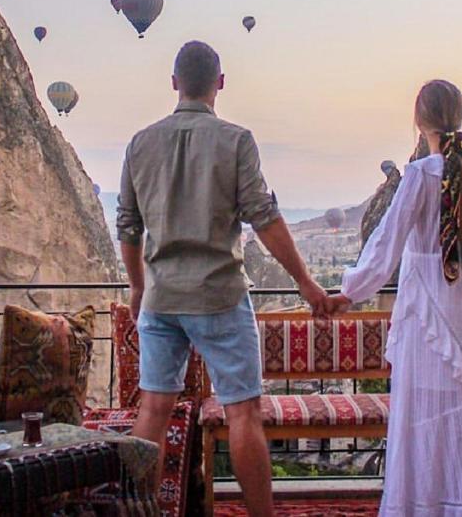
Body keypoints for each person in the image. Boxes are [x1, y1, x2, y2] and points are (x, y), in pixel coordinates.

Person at [117, 41, 329, 517]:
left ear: (174, 83)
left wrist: (137, 287)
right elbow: (264, 217)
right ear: (220, 83)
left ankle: (137, 512)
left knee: (153, 411)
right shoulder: (236, 141)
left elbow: (128, 227)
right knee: (243, 413)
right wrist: (305, 281)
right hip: (219, 296)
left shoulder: (139, 144)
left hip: (161, 298)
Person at [329, 79, 462, 516]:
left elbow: (386, 245)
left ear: (419, 121)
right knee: (460, 413)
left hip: (427, 316)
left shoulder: (421, 175)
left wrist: (348, 292)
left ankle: (419, 505)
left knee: (419, 415)